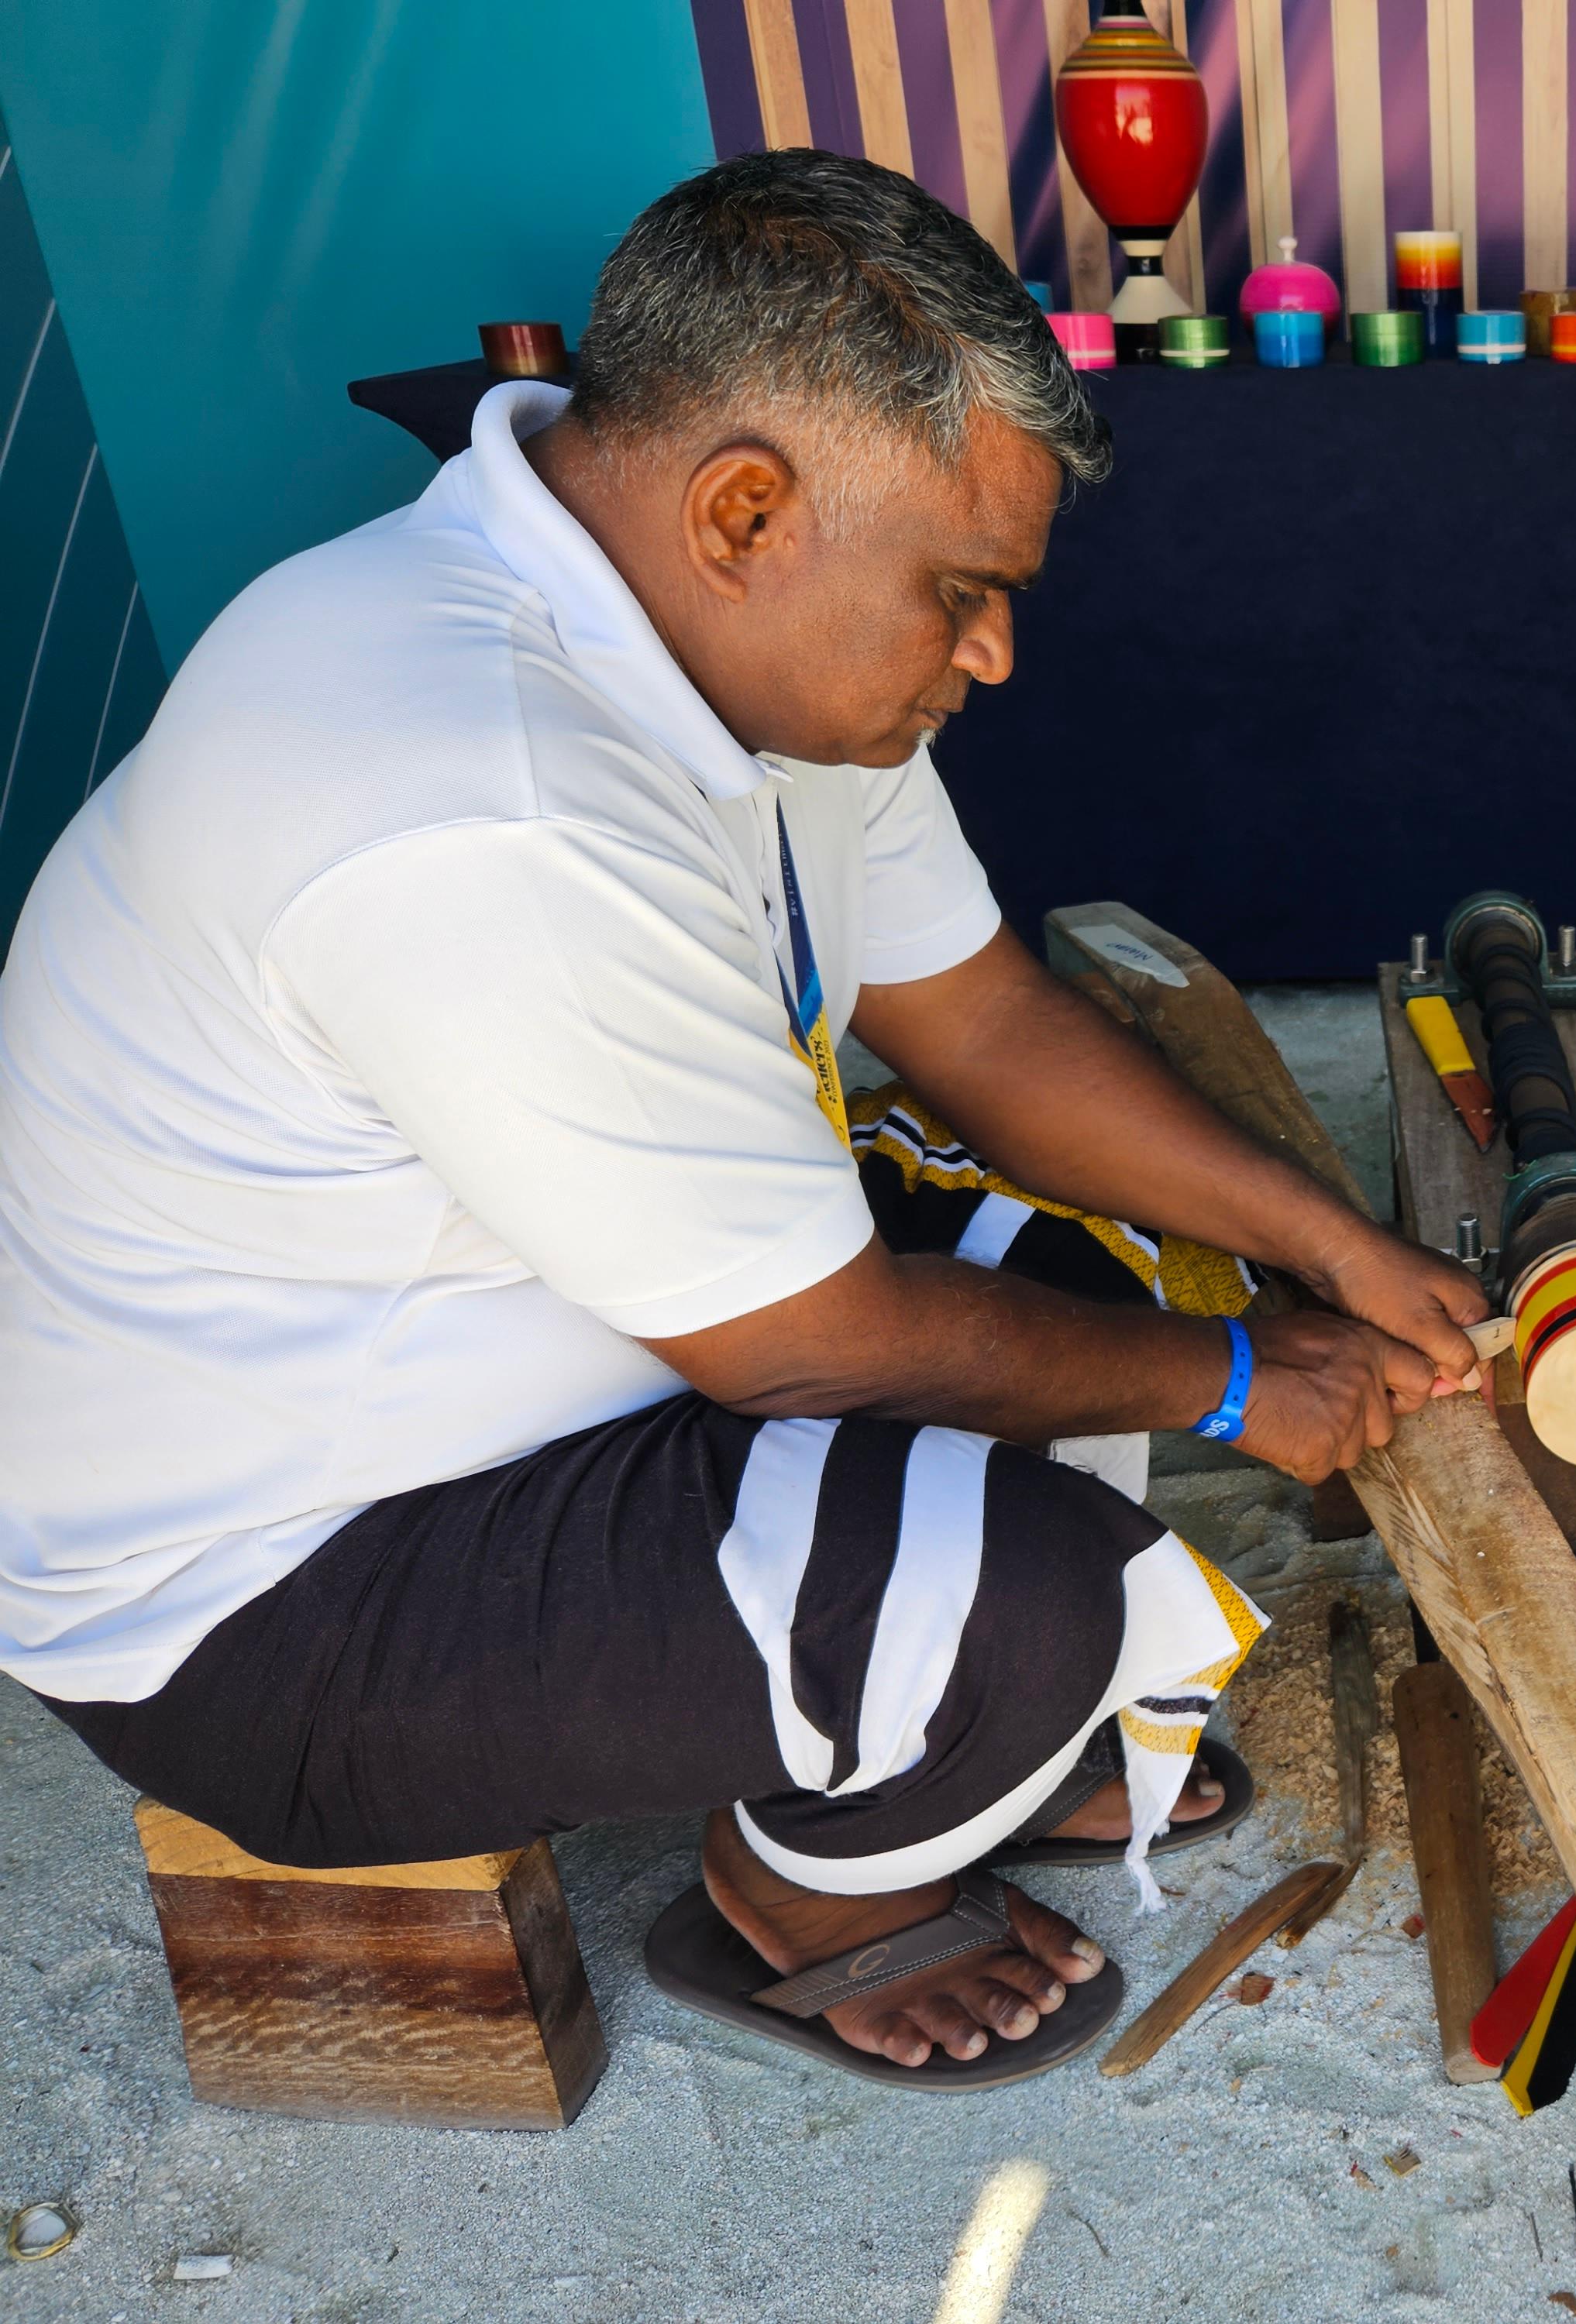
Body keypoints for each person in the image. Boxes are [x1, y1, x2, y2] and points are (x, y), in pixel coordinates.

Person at [0, 150, 1486, 2087]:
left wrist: (1328, 1248)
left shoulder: (725, 660)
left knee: (1069, 1263)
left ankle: (933, 1749)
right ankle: (809, 1901)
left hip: (503, 1382)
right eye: (961, 593)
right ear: (744, 509)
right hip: (263, 1598)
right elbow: (808, 1345)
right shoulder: (488, 796)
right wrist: (1230, 1382)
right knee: (1046, 1593)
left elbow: (982, 1028)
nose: (994, 653)